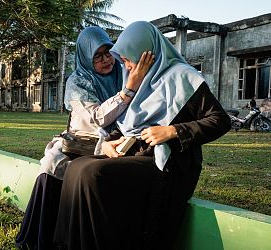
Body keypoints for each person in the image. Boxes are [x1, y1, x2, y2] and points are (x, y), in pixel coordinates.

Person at [53, 21, 231, 250]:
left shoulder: (183, 77)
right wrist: (108, 143)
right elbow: (127, 122)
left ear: (146, 54)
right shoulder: (140, 82)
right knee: (76, 167)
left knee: (92, 173)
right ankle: (70, 244)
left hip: (168, 161)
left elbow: (220, 120)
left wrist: (172, 131)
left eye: (127, 59)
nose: (125, 66)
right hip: (136, 153)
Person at [15, 26, 153, 250]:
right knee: (53, 164)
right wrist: (127, 90)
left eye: (108, 52)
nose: (106, 60)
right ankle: (42, 237)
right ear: (86, 58)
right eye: (97, 56)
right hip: (83, 140)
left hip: (118, 139)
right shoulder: (77, 81)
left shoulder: (123, 72)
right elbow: (96, 118)